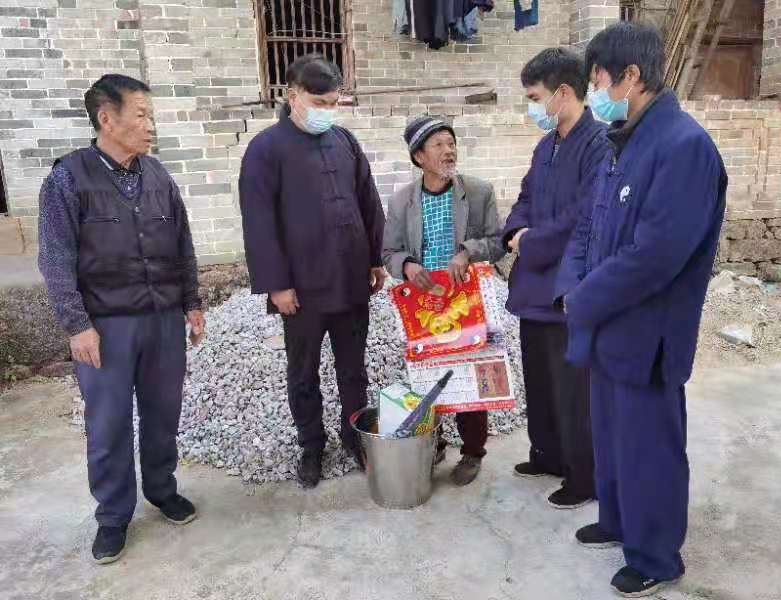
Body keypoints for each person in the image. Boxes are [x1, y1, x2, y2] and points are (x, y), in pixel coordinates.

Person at [555, 22, 727, 597]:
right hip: (608, 323)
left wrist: (584, 297)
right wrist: (573, 284)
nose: (595, 92)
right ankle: (618, 520)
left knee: (649, 445)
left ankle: (656, 555)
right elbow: (593, 225)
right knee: (611, 435)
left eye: (599, 79)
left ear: (631, 75)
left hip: (648, 331)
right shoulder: (623, 141)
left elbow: (656, 255)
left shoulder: (683, 146)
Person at [37, 74, 205, 564]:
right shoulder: (68, 179)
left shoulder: (159, 176)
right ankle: (113, 516)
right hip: (105, 326)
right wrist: (76, 324)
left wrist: (192, 302)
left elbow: (183, 245)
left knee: (162, 413)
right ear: (106, 119)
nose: (150, 125)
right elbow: (55, 258)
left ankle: (162, 489)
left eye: (150, 116)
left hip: (162, 319)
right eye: (141, 115)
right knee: (108, 423)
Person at [239, 56, 386, 489]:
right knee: (303, 372)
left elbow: (368, 199)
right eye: (319, 102)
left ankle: (354, 436)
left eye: (333, 102)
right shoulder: (266, 149)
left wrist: (376, 258)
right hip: (301, 289)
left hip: (351, 278)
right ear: (293, 96)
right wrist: (277, 284)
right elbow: (258, 221)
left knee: (353, 368)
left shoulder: (344, 141)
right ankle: (311, 445)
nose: (327, 110)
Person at [502, 48, 607, 510]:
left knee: (572, 389)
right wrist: (516, 231)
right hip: (532, 282)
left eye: (534, 97)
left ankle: (582, 477)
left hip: (567, 282)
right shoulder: (546, 145)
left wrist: (532, 241)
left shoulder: (599, 144)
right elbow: (525, 197)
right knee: (540, 379)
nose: (532, 107)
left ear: (562, 93)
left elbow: (584, 215)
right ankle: (546, 454)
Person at [383, 115, 503, 486]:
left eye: (451, 143)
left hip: (466, 299)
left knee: (470, 374)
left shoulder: (478, 192)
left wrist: (467, 251)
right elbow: (389, 252)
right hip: (424, 304)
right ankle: (433, 443)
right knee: (427, 378)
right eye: (438, 145)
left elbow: (498, 243)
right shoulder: (402, 201)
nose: (449, 151)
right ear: (419, 156)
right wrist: (407, 265)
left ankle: (472, 451)